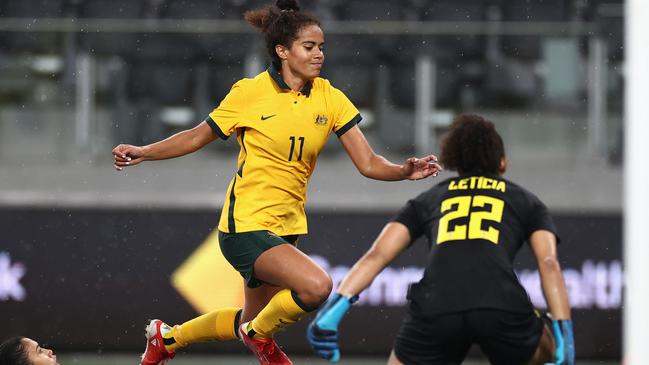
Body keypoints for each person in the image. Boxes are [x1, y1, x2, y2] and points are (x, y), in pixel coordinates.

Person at [112, 1, 441, 364]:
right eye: (309, 47)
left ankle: (169, 338)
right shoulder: (249, 93)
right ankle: (258, 336)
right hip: (245, 226)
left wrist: (402, 171)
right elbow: (195, 136)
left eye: (322, 47)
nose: (319, 55)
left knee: (251, 319)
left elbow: (368, 162)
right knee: (317, 287)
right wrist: (145, 151)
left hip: (287, 227)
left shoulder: (330, 97)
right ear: (282, 51)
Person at [307, 114, 575, 365]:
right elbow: (549, 262)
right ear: (502, 162)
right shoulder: (526, 201)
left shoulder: (429, 199)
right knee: (546, 347)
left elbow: (377, 255)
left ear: (454, 160)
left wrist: (336, 307)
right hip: (499, 303)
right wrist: (565, 333)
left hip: (437, 304)